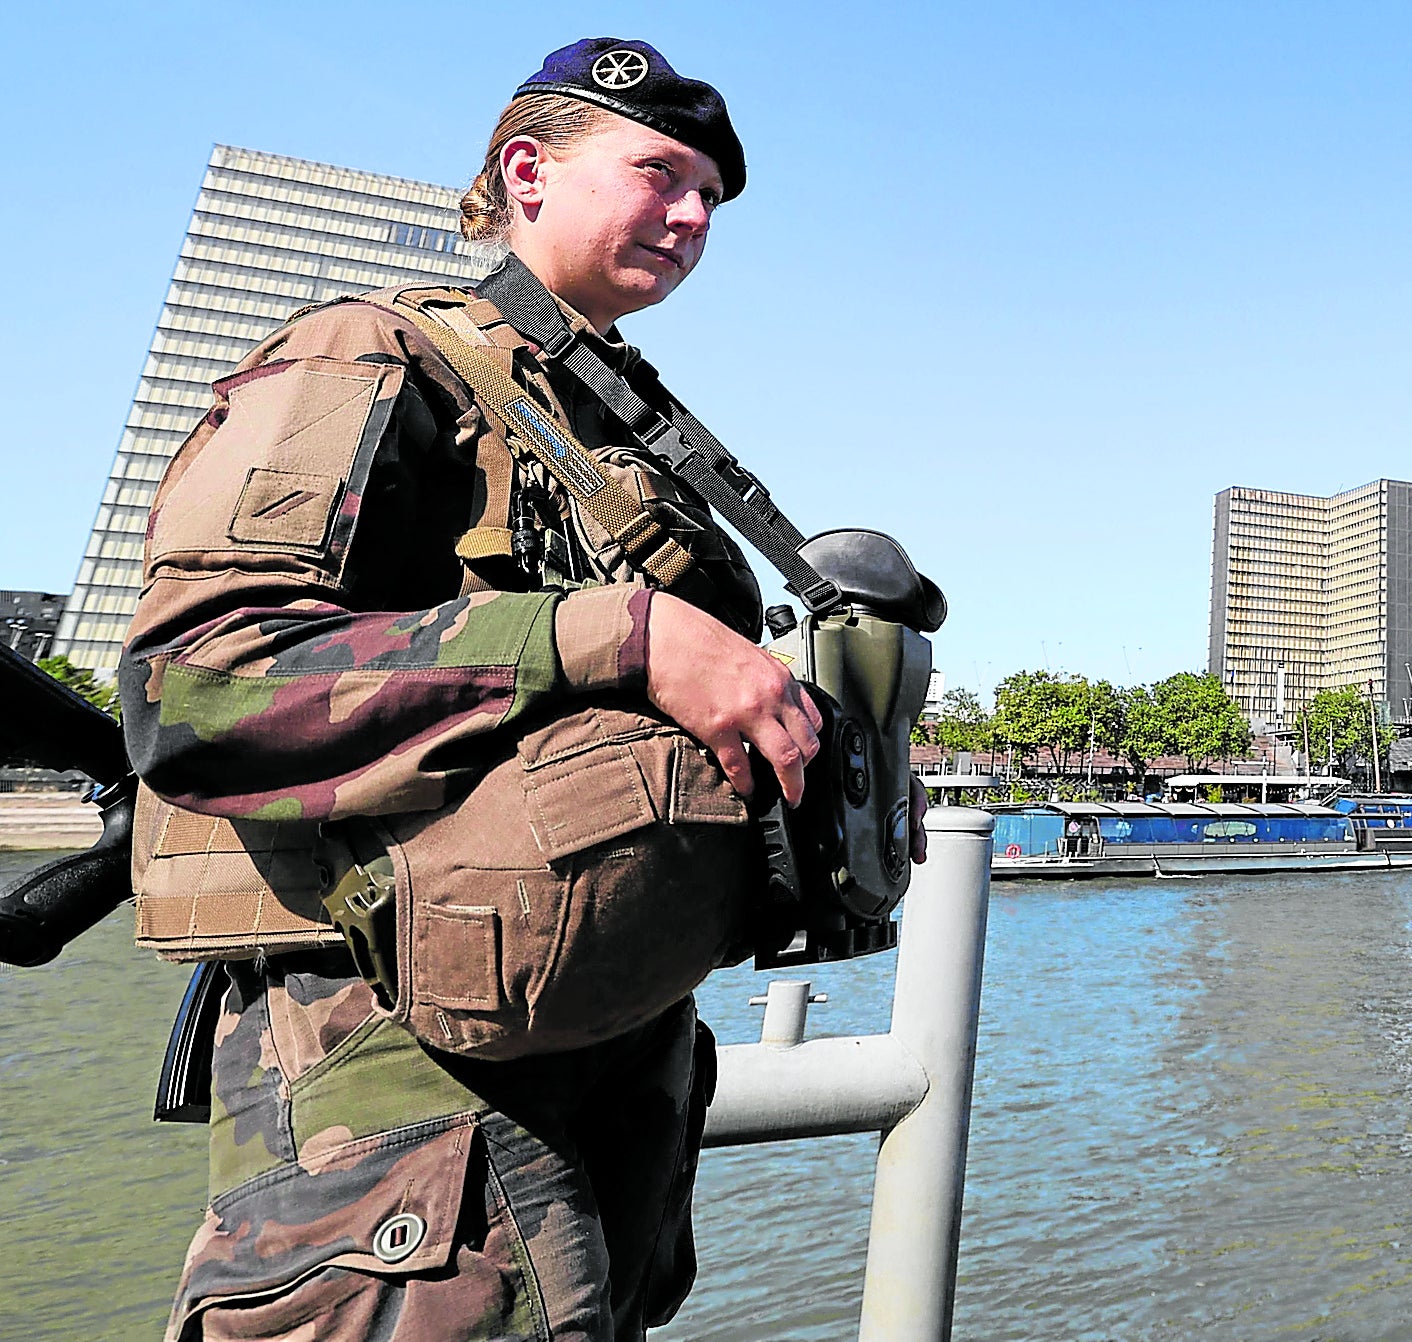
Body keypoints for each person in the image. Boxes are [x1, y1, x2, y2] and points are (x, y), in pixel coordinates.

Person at [121, 38, 904, 1341]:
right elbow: (195, 683)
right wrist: (607, 632)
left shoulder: (607, 426)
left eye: (711, 193)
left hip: (583, 1066)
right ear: (527, 173)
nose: (694, 214)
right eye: (658, 172)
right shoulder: (367, 353)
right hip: (385, 1083)